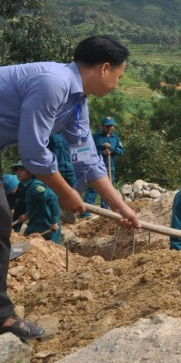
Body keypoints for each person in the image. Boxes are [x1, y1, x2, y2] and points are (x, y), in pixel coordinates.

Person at [0, 35, 140, 339]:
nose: (117, 84)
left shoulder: (77, 103)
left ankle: (1, 316)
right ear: (104, 68)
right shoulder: (53, 83)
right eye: (119, 76)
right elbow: (33, 152)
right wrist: (66, 192)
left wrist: (120, 206)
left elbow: (87, 159)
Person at [11, 161, 62, 244]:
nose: (18, 172)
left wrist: (54, 222)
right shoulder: (22, 186)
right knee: (23, 245)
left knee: (50, 249)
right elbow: (34, 204)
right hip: (34, 224)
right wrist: (26, 215)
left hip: (48, 226)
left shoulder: (35, 187)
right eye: (17, 170)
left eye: (22, 169)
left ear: (30, 172)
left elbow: (53, 198)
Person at [84, 115, 125, 208]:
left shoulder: (116, 138)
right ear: (102, 126)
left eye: (111, 126)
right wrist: (102, 152)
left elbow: (121, 151)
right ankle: (86, 211)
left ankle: (105, 210)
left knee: (108, 189)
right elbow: (89, 152)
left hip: (110, 167)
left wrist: (112, 148)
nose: (109, 128)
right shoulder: (95, 137)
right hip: (96, 166)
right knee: (93, 188)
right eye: (107, 126)